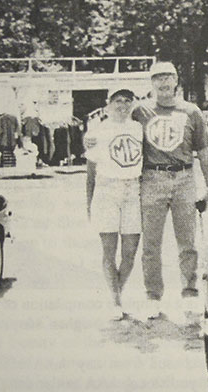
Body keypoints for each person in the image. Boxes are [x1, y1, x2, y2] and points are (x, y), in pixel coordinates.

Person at [131, 61, 208, 321]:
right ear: (151, 82)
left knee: (187, 242)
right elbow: (116, 129)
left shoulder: (191, 111)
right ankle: (152, 296)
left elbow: (203, 151)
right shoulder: (140, 111)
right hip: (151, 178)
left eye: (168, 77)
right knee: (151, 244)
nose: (164, 83)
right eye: (158, 78)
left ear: (177, 80)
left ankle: (189, 292)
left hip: (184, 177)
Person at [85, 87, 143, 320]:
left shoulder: (138, 128)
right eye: (117, 100)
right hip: (107, 190)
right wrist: (89, 204)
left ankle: (117, 292)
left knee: (130, 251)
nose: (122, 105)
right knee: (109, 251)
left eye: (127, 100)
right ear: (108, 105)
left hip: (132, 190)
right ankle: (115, 300)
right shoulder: (97, 131)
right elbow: (90, 173)